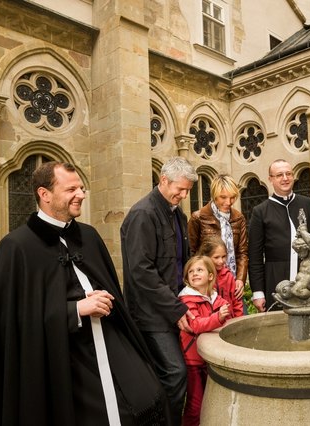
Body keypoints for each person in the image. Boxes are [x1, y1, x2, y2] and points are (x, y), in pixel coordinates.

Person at [0, 161, 169, 425]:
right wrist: (75, 310)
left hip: (109, 342)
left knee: (150, 397)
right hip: (59, 361)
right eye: (71, 189)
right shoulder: (16, 248)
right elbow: (14, 324)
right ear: (44, 195)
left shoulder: (89, 237)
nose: (81, 194)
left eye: (81, 187)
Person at [121, 156, 198, 426]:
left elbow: (180, 263)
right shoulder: (143, 214)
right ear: (163, 180)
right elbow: (141, 271)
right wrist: (176, 308)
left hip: (173, 307)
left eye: (188, 190)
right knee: (175, 373)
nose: (184, 195)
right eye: (181, 188)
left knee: (172, 374)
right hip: (151, 314)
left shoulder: (179, 214)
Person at [248, 159, 310, 311]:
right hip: (275, 277)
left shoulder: (308, 204)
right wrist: (258, 292)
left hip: (306, 278)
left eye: (288, 174)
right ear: (270, 179)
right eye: (279, 175)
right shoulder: (260, 211)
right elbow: (254, 256)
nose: (285, 178)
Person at [178, 255, 231, 426]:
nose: (194, 273)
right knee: (195, 405)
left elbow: (225, 314)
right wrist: (218, 317)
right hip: (192, 360)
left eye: (199, 270)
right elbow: (194, 325)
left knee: (212, 400)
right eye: (190, 271)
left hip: (208, 359)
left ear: (210, 275)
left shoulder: (215, 298)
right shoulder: (186, 300)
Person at [188, 173, 247, 301]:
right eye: (223, 197)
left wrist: (240, 279)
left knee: (239, 318)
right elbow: (192, 253)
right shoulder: (198, 217)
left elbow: (242, 253)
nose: (228, 202)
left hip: (231, 283)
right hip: (207, 284)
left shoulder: (239, 218)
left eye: (233, 197)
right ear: (214, 195)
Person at [197, 236, 244, 317]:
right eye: (216, 257)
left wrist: (238, 321)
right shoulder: (199, 277)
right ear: (206, 257)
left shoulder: (228, 276)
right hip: (211, 324)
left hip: (230, 322)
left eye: (224, 256)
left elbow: (236, 303)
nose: (221, 261)